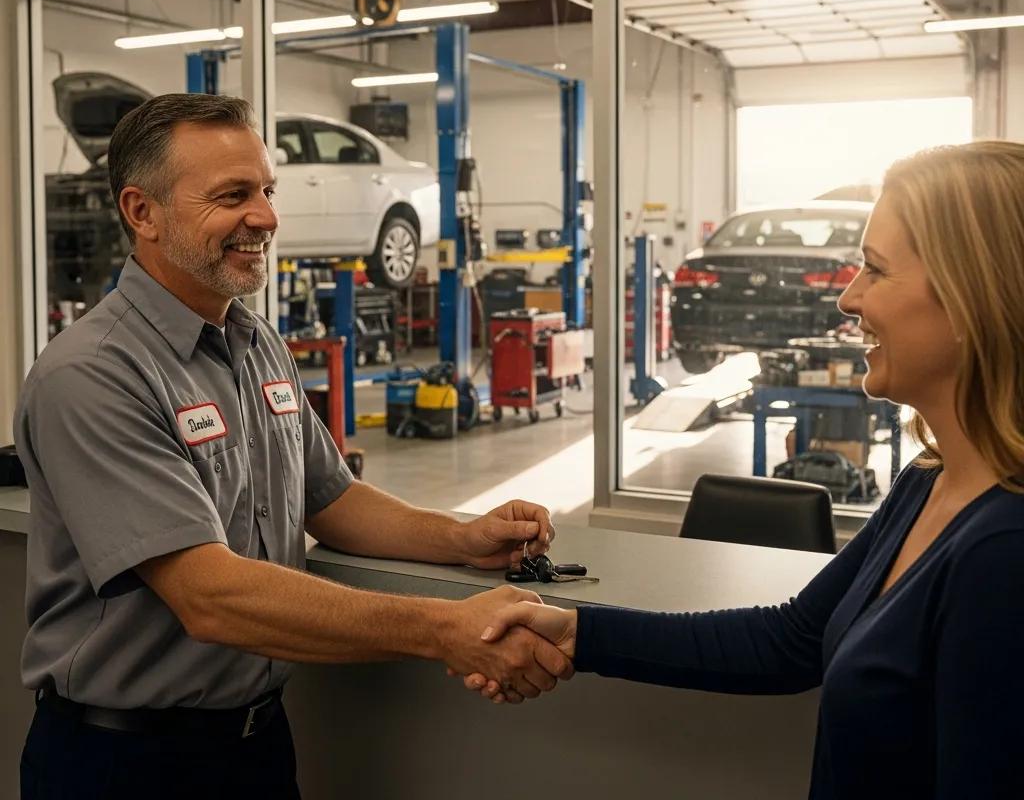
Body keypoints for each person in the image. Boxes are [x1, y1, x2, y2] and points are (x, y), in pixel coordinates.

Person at [14, 94, 570, 800]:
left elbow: (329, 497)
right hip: (125, 763)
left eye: (268, 191)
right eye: (233, 195)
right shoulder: (94, 374)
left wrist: (461, 540)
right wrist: (445, 630)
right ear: (141, 211)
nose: (267, 217)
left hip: (255, 748)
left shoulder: (254, 341)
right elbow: (210, 597)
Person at [466, 141, 1024, 799]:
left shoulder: (1003, 551)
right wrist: (580, 631)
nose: (849, 299)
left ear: (973, 297)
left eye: (874, 270)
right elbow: (790, 639)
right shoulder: (928, 485)